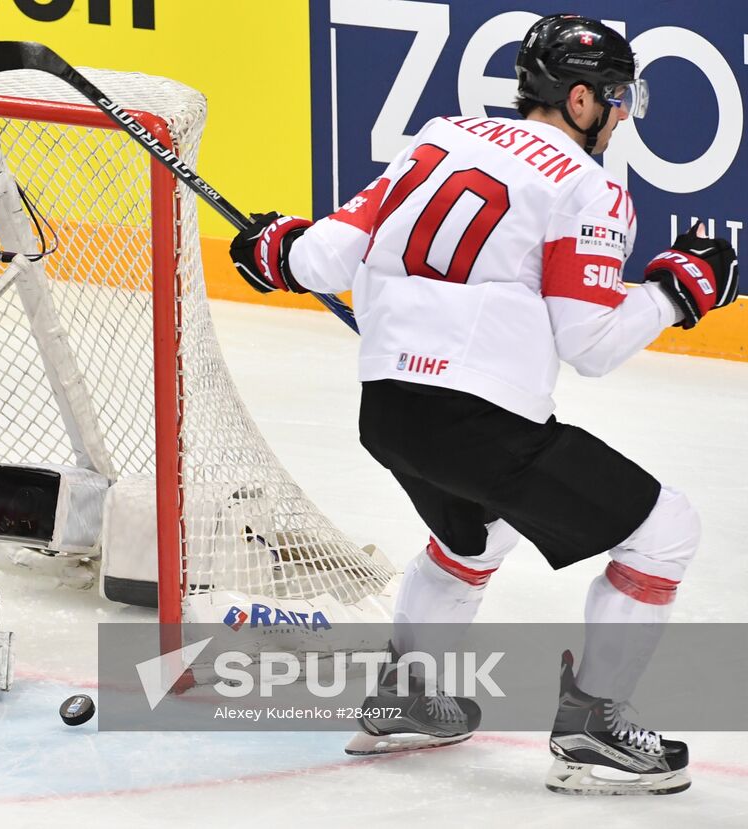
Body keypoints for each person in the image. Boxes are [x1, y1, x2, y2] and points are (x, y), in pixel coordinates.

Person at [229, 14, 737, 795]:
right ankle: (595, 723)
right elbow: (591, 344)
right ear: (578, 100)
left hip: (389, 414)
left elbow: (322, 254)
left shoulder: (440, 138)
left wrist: (272, 247)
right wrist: (677, 291)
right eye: (615, 96)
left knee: (474, 538)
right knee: (666, 532)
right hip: (480, 421)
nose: (621, 113)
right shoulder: (587, 187)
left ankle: (407, 696)